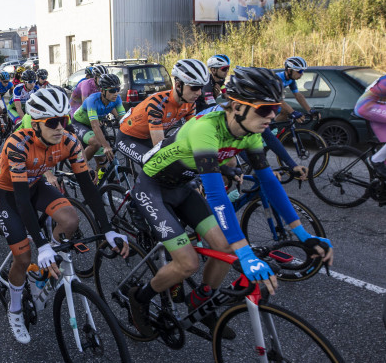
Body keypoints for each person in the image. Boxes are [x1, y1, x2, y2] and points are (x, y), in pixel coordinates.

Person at [126, 67, 334, 338]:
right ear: (236, 106)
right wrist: (246, 253)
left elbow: (270, 183)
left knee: (224, 246)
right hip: (152, 188)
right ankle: (139, 298)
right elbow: (216, 195)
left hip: (181, 187)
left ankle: (201, 301)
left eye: (275, 108)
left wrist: (304, 235)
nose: (273, 115)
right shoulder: (205, 129)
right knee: (187, 263)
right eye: (265, 109)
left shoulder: (250, 132)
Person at [0, 87, 127, 343]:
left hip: (34, 184)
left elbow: (88, 187)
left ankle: (44, 268)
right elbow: (21, 200)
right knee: (23, 257)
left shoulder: (69, 141)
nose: (59, 127)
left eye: (63, 120)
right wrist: (41, 245)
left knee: (70, 220)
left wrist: (107, 228)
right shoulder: (18, 144)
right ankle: (15, 308)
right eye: (52, 122)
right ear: (37, 124)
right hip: (9, 191)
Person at [116, 59, 206, 166]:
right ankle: (140, 183)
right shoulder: (157, 103)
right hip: (128, 137)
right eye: (194, 88)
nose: (199, 93)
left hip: (146, 137)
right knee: (154, 164)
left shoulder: (190, 104)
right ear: (178, 85)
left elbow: (193, 132)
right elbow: (159, 146)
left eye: (201, 88)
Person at [71, 73, 126, 168]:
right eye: (112, 90)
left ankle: (99, 181)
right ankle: (80, 168)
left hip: (94, 124)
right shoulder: (92, 100)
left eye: (118, 89)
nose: (116, 93)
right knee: (97, 143)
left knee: (102, 159)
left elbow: (124, 119)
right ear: (102, 91)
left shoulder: (117, 99)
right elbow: (95, 126)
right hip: (79, 123)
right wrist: (106, 146)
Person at [354, 74, 386, 177]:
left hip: (377, 107)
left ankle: (379, 186)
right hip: (366, 106)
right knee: (380, 158)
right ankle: (375, 160)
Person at [275, 56, 319, 122]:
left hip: (270, 100)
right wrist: (293, 112)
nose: (302, 74)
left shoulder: (291, 80)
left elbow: (298, 95)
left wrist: (310, 110)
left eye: (303, 71)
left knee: (285, 111)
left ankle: (274, 129)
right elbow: (278, 100)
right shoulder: (277, 79)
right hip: (260, 100)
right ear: (290, 71)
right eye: (300, 71)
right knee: (285, 110)